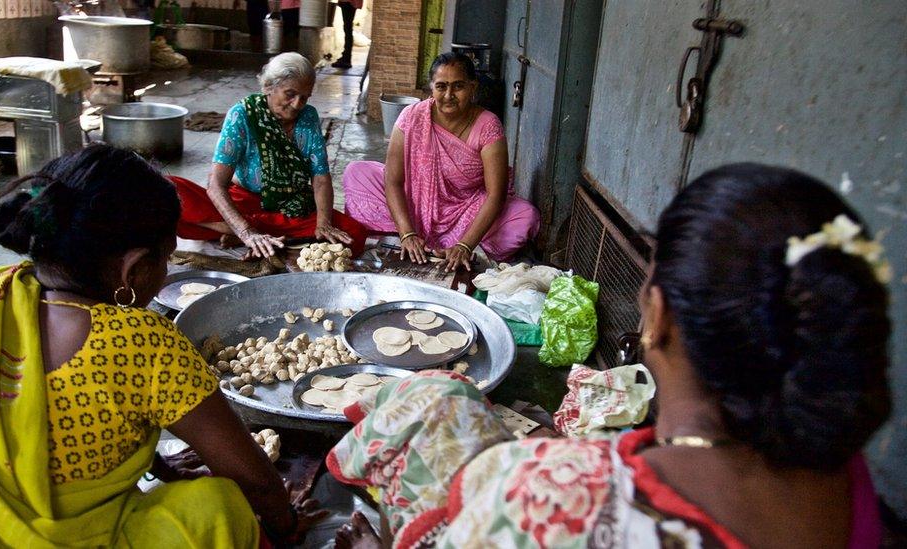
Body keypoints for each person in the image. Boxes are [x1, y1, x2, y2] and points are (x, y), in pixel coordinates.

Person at [328, 163, 891, 547]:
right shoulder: (845, 481)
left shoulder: (560, 501)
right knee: (442, 396)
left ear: (660, 315)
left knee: (429, 400)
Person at [0, 145, 325, 546]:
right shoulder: (141, 343)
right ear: (133, 268)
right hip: (65, 539)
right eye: (167, 257)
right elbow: (253, 480)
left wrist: (157, 467)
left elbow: (61, 413)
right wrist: (286, 526)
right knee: (218, 505)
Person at [343, 52, 540, 271]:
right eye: (441, 86)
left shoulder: (488, 126)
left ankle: (455, 243)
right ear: (431, 88)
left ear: (473, 87)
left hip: (466, 207)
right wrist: (407, 233)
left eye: (458, 86)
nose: (448, 95)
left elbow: (496, 194)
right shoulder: (412, 116)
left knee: (524, 216)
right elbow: (393, 180)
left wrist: (465, 245)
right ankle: (409, 234)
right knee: (357, 173)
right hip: (415, 201)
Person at [172, 52, 368, 259]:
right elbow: (216, 185)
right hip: (244, 200)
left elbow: (320, 179)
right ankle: (253, 232)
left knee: (355, 234)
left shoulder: (308, 117)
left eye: (304, 97)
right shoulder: (242, 115)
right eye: (290, 94)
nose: (296, 104)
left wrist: (324, 224)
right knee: (169, 192)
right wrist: (246, 231)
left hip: (293, 206)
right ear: (268, 87)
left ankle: (252, 232)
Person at [331, 0, 363, 69]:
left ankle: (346, 59)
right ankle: (346, 57)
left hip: (348, 2)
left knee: (348, 29)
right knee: (348, 28)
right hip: (349, 2)